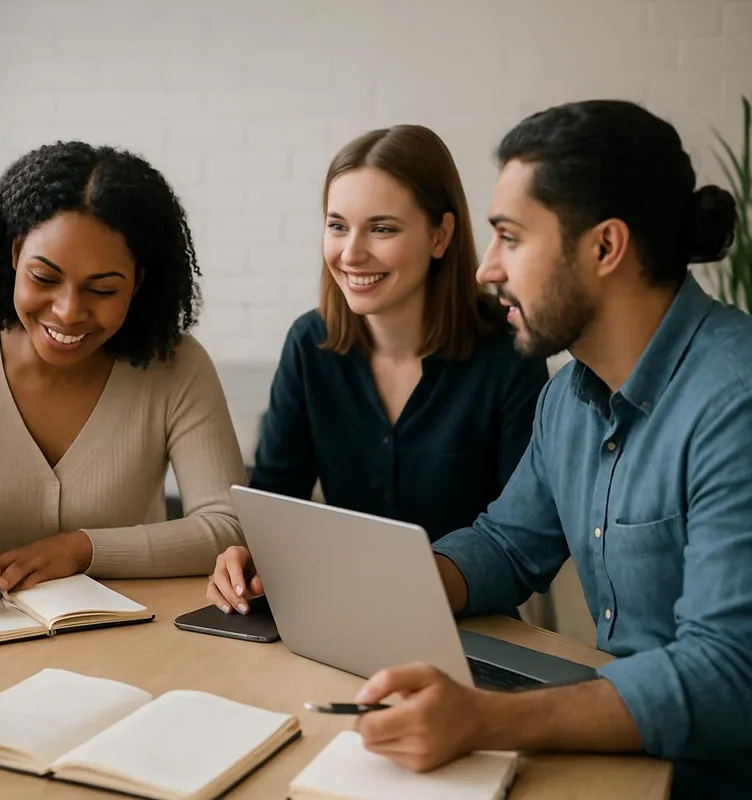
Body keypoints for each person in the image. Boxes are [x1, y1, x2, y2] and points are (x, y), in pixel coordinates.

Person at [350, 100, 748, 799]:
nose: (485, 269)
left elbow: (724, 675)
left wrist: (485, 719)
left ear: (604, 247)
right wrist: (373, 587)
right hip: (613, 753)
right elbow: (506, 545)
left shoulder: (733, 403)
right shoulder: (568, 398)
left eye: (509, 237)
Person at [0, 141, 246, 613]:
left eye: (102, 289)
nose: (68, 311)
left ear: (138, 283)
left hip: (132, 641)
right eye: (44, 278)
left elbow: (226, 526)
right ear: (16, 253)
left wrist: (82, 549)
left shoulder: (178, 367)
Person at [207, 125, 548, 614]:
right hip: (339, 613)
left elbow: (521, 539)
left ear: (440, 236)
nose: (350, 253)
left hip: (469, 622)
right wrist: (247, 553)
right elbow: (276, 502)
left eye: (382, 228)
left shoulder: (510, 351)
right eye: (337, 225)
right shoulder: (310, 344)